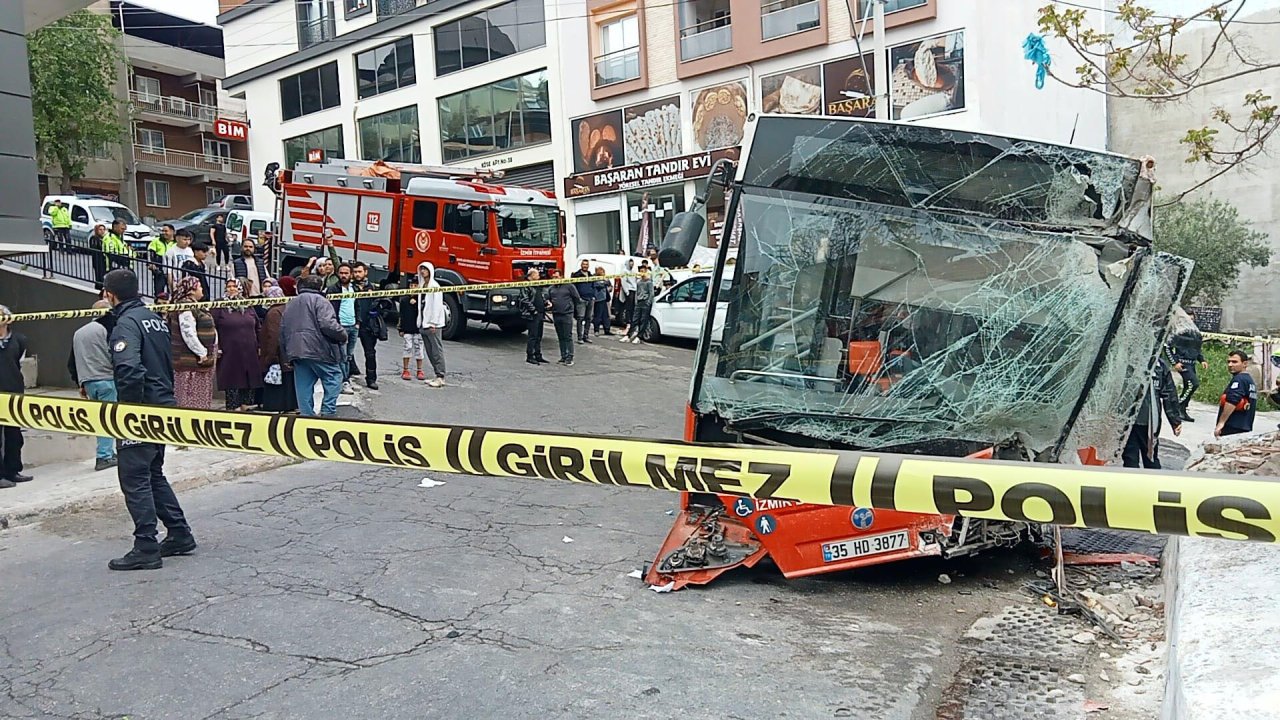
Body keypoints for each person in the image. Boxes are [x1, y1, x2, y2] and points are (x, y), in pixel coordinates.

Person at [100, 268, 195, 571]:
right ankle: (179, 533)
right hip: (161, 403)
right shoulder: (153, 318)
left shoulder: (126, 323)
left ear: (109, 295)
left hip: (140, 410)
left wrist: (128, 413)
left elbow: (129, 369)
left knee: (135, 478)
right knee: (153, 473)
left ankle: (146, 546)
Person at [281, 274, 348, 416]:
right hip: (319, 349)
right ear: (320, 287)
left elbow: (283, 330)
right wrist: (342, 335)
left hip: (296, 351)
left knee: (303, 385)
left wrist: (286, 355)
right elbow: (328, 325)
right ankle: (327, 412)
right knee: (334, 377)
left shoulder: (290, 304)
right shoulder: (321, 301)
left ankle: (306, 416)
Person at [68, 300, 118, 471]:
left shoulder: (78, 333)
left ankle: (108, 453)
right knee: (108, 418)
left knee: (99, 418)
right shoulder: (107, 329)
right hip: (107, 379)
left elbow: (72, 361)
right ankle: (104, 456)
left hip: (88, 381)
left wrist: (80, 382)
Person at [211, 278, 262, 411]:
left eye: (234, 286)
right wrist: (217, 347)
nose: (232, 289)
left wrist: (259, 345)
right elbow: (212, 327)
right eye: (229, 286)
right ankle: (233, 408)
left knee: (249, 377)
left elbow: (257, 326)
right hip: (230, 351)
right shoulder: (219, 305)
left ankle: (247, 405)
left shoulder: (247, 304)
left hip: (250, 350)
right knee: (232, 379)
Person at [167, 276, 217, 410]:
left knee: (201, 397)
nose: (202, 289)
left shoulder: (195, 305)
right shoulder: (186, 306)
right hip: (190, 363)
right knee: (190, 399)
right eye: (199, 286)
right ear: (191, 290)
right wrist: (202, 353)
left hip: (200, 361)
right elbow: (188, 332)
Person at [1122, 358, 1182, 469]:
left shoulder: (1159, 365)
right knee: (1131, 459)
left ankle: (1152, 483)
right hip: (1128, 421)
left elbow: (1169, 394)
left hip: (1148, 422)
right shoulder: (1126, 362)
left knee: (1150, 458)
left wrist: (1175, 420)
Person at [0, 306, 31, 488]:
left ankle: (13, 470)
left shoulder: (19, 340)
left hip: (14, 393)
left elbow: (18, 362)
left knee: (14, 435)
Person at [258, 284, 297, 413]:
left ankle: (277, 406)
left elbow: (273, 335)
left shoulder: (274, 312)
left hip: (279, 355)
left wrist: (271, 356)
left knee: (277, 384)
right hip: (289, 352)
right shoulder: (287, 308)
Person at [352, 261, 389, 391]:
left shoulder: (372, 288)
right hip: (352, 323)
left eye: (359, 272)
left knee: (370, 354)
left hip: (368, 325)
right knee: (347, 353)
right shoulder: (349, 288)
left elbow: (383, 303)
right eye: (355, 272)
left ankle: (371, 379)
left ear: (365, 272)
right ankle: (348, 375)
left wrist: (378, 309)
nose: (357, 274)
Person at [1165, 311, 1208, 422]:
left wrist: (1201, 360)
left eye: (1192, 320)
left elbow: (1197, 349)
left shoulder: (1196, 334)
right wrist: (1175, 362)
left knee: (1187, 386)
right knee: (1193, 384)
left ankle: (1183, 410)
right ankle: (1178, 406)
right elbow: (1167, 347)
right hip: (1183, 363)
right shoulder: (1179, 333)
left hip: (1192, 363)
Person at [327, 262, 359, 392]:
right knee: (342, 356)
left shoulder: (354, 288)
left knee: (349, 356)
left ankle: (345, 379)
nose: (343, 275)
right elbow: (331, 309)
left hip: (353, 326)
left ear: (351, 274)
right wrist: (337, 325)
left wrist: (358, 322)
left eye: (346, 273)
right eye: (341, 273)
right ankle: (344, 382)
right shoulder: (333, 289)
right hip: (341, 327)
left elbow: (358, 305)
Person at [416, 262, 448, 387]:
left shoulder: (435, 286)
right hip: (423, 322)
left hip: (432, 324)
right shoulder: (422, 285)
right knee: (429, 350)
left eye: (425, 269)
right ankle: (436, 374)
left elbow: (437, 306)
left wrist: (433, 322)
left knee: (436, 350)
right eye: (421, 269)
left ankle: (441, 376)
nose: (423, 271)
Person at [1215, 349, 1258, 438]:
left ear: (1245, 364)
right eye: (1229, 362)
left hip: (1232, 427)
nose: (1230, 365)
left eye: (1234, 362)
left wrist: (1221, 423)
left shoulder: (1239, 380)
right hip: (1244, 427)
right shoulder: (1249, 381)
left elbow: (1232, 401)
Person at [546, 268, 580, 366]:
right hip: (556, 314)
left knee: (567, 336)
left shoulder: (569, 286)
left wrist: (572, 309)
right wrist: (548, 302)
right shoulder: (551, 288)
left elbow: (576, 298)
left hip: (567, 314)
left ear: (561, 277)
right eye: (553, 277)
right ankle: (563, 356)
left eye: (557, 277)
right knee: (560, 336)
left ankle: (570, 357)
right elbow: (547, 298)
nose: (555, 279)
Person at [518, 268, 550, 365]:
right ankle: (530, 356)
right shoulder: (526, 285)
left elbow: (539, 296)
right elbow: (525, 299)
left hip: (540, 313)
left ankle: (538, 355)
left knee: (539, 336)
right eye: (537, 275)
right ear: (531, 275)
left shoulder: (536, 285)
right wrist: (533, 310)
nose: (539, 276)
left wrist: (545, 303)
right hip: (532, 314)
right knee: (533, 336)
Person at [398, 274, 425, 380]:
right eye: (412, 285)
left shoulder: (422, 299)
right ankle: (405, 369)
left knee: (419, 348)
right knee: (407, 347)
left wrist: (417, 302)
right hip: (407, 329)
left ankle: (420, 370)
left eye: (416, 285)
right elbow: (401, 315)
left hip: (418, 329)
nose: (413, 288)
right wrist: (401, 328)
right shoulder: (404, 300)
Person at [624, 265, 655, 344]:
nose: (642, 273)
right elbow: (637, 292)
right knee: (635, 319)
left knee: (643, 320)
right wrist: (636, 301)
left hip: (645, 302)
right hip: (639, 302)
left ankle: (639, 336)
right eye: (641, 271)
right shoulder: (639, 282)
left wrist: (648, 302)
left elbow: (651, 293)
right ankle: (629, 335)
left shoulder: (649, 282)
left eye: (643, 271)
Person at [145, 224, 176, 297]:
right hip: (160, 269)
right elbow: (150, 252)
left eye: (166, 231)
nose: (164, 233)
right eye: (162, 231)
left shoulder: (176, 242)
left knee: (173, 291)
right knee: (158, 291)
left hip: (172, 269)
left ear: (172, 232)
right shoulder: (157, 240)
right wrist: (150, 263)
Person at [163, 227, 195, 292]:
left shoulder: (190, 250)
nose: (187, 242)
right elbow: (169, 272)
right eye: (184, 239)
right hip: (177, 282)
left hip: (189, 282)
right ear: (177, 238)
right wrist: (171, 288)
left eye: (188, 240)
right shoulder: (171, 252)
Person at [571, 258, 596, 344]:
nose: (585, 266)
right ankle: (580, 337)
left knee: (589, 318)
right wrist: (578, 298)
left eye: (586, 264)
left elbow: (594, 286)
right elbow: (573, 288)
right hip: (581, 300)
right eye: (584, 264)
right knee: (580, 318)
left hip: (590, 299)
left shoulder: (590, 275)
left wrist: (593, 296)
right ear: (581, 265)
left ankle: (586, 336)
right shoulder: (576, 275)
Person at [592, 267, 612, 336]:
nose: (604, 273)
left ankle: (607, 329)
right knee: (598, 315)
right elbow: (599, 285)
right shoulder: (595, 278)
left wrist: (606, 282)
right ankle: (596, 330)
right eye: (602, 272)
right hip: (599, 299)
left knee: (606, 315)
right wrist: (604, 282)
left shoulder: (604, 278)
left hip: (605, 298)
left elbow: (609, 283)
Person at [619, 258, 638, 334]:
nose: (631, 265)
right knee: (628, 307)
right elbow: (623, 282)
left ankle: (632, 321)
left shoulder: (633, 271)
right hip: (629, 291)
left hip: (634, 290)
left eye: (632, 263)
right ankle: (628, 322)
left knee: (633, 307)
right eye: (630, 263)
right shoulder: (624, 271)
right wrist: (627, 292)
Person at [89, 224, 109, 290]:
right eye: (100, 229)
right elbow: (94, 248)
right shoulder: (94, 238)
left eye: (103, 229)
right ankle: (98, 286)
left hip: (104, 259)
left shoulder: (105, 238)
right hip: (97, 259)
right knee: (99, 275)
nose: (102, 231)